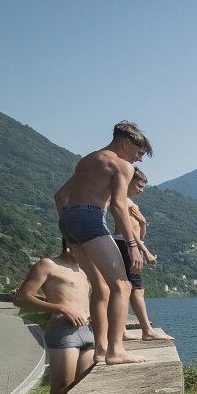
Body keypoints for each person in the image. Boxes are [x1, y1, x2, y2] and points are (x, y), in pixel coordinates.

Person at [53, 120, 151, 365]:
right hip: (91, 218)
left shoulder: (87, 160)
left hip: (69, 219)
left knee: (101, 287)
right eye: (139, 153)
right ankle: (115, 351)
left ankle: (100, 350)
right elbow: (118, 205)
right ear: (126, 143)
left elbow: (60, 196)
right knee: (122, 286)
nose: (138, 159)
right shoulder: (122, 166)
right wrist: (132, 245)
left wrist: (70, 224)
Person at [13, 242, 95, 394]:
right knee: (61, 389)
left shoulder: (84, 268)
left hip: (88, 329)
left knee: (82, 388)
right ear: (70, 245)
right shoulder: (48, 265)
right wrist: (61, 308)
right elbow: (21, 298)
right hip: (64, 330)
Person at [113, 168, 170, 340]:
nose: (141, 190)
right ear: (128, 181)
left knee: (129, 288)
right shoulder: (123, 201)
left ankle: (124, 331)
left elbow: (139, 233)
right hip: (124, 244)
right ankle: (147, 331)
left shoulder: (130, 202)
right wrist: (145, 251)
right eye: (139, 185)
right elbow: (127, 229)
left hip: (129, 245)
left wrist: (143, 222)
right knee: (136, 290)